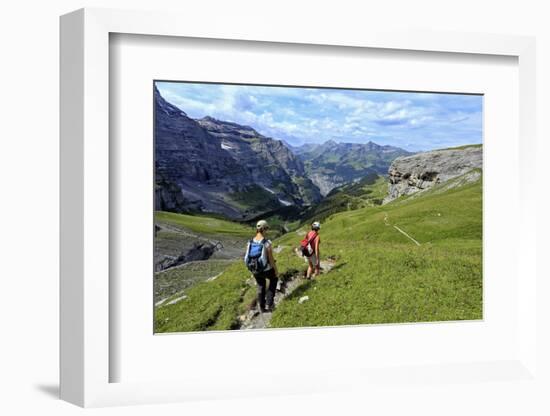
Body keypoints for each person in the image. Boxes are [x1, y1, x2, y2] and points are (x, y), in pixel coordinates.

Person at [245, 220, 278, 312]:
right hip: (266, 269)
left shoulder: (250, 242)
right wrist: (276, 271)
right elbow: (271, 259)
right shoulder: (266, 243)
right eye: (266, 229)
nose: (267, 231)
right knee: (274, 279)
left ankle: (262, 307)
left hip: (254, 269)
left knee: (261, 285)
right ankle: (270, 303)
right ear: (263, 229)